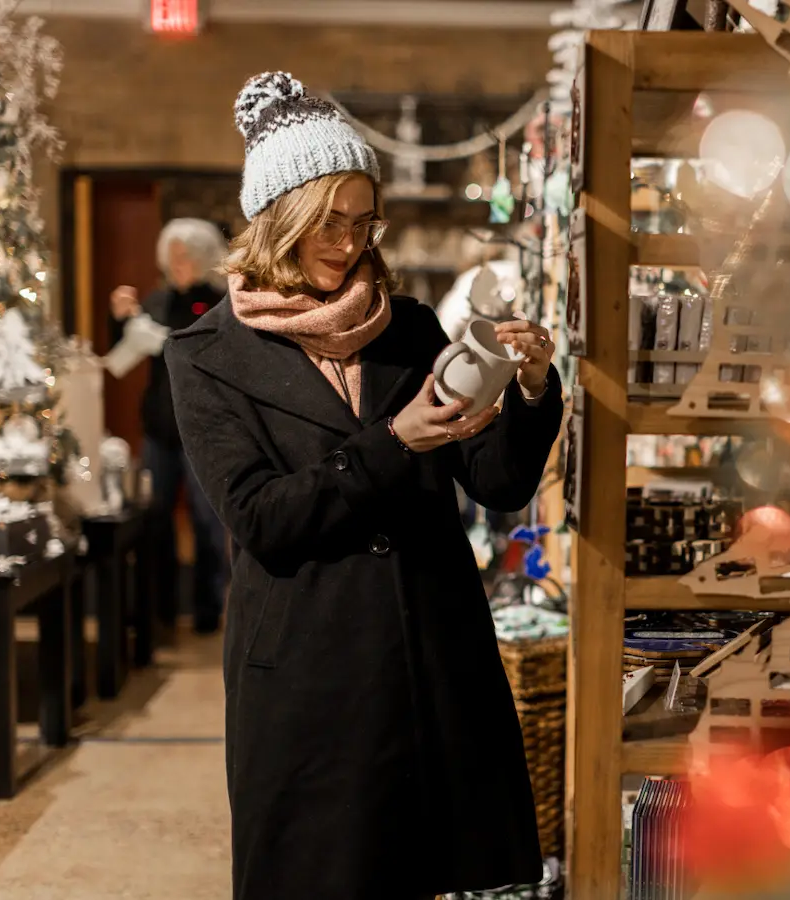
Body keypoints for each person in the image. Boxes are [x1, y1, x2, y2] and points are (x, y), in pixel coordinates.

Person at [163, 72, 562, 900]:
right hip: (311, 665)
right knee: (319, 874)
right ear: (280, 218)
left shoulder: (408, 327)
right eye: (328, 222)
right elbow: (263, 519)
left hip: (429, 648)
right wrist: (391, 441)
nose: (348, 242)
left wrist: (528, 390)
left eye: (362, 220)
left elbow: (497, 480)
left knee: (430, 870)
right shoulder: (204, 356)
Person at [109, 218, 230, 635]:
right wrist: (121, 318)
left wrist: (166, 340)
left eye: (187, 255)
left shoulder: (219, 302)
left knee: (207, 522)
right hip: (158, 431)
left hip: (202, 431)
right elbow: (124, 349)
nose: (179, 263)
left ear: (203, 257)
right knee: (154, 520)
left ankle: (207, 610)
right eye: (173, 256)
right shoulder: (157, 301)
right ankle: (157, 608)